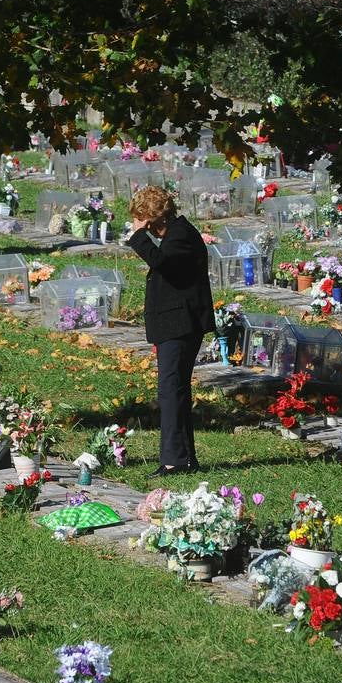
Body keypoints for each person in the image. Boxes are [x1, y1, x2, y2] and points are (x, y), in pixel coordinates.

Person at [126, 186, 215, 476]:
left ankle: (174, 460)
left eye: (141, 219)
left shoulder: (181, 236)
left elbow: (164, 264)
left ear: (152, 219)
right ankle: (184, 457)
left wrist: (139, 237)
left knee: (170, 390)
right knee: (174, 390)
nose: (138, 224)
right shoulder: (178, 233)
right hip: (175, 323)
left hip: (181, 324)